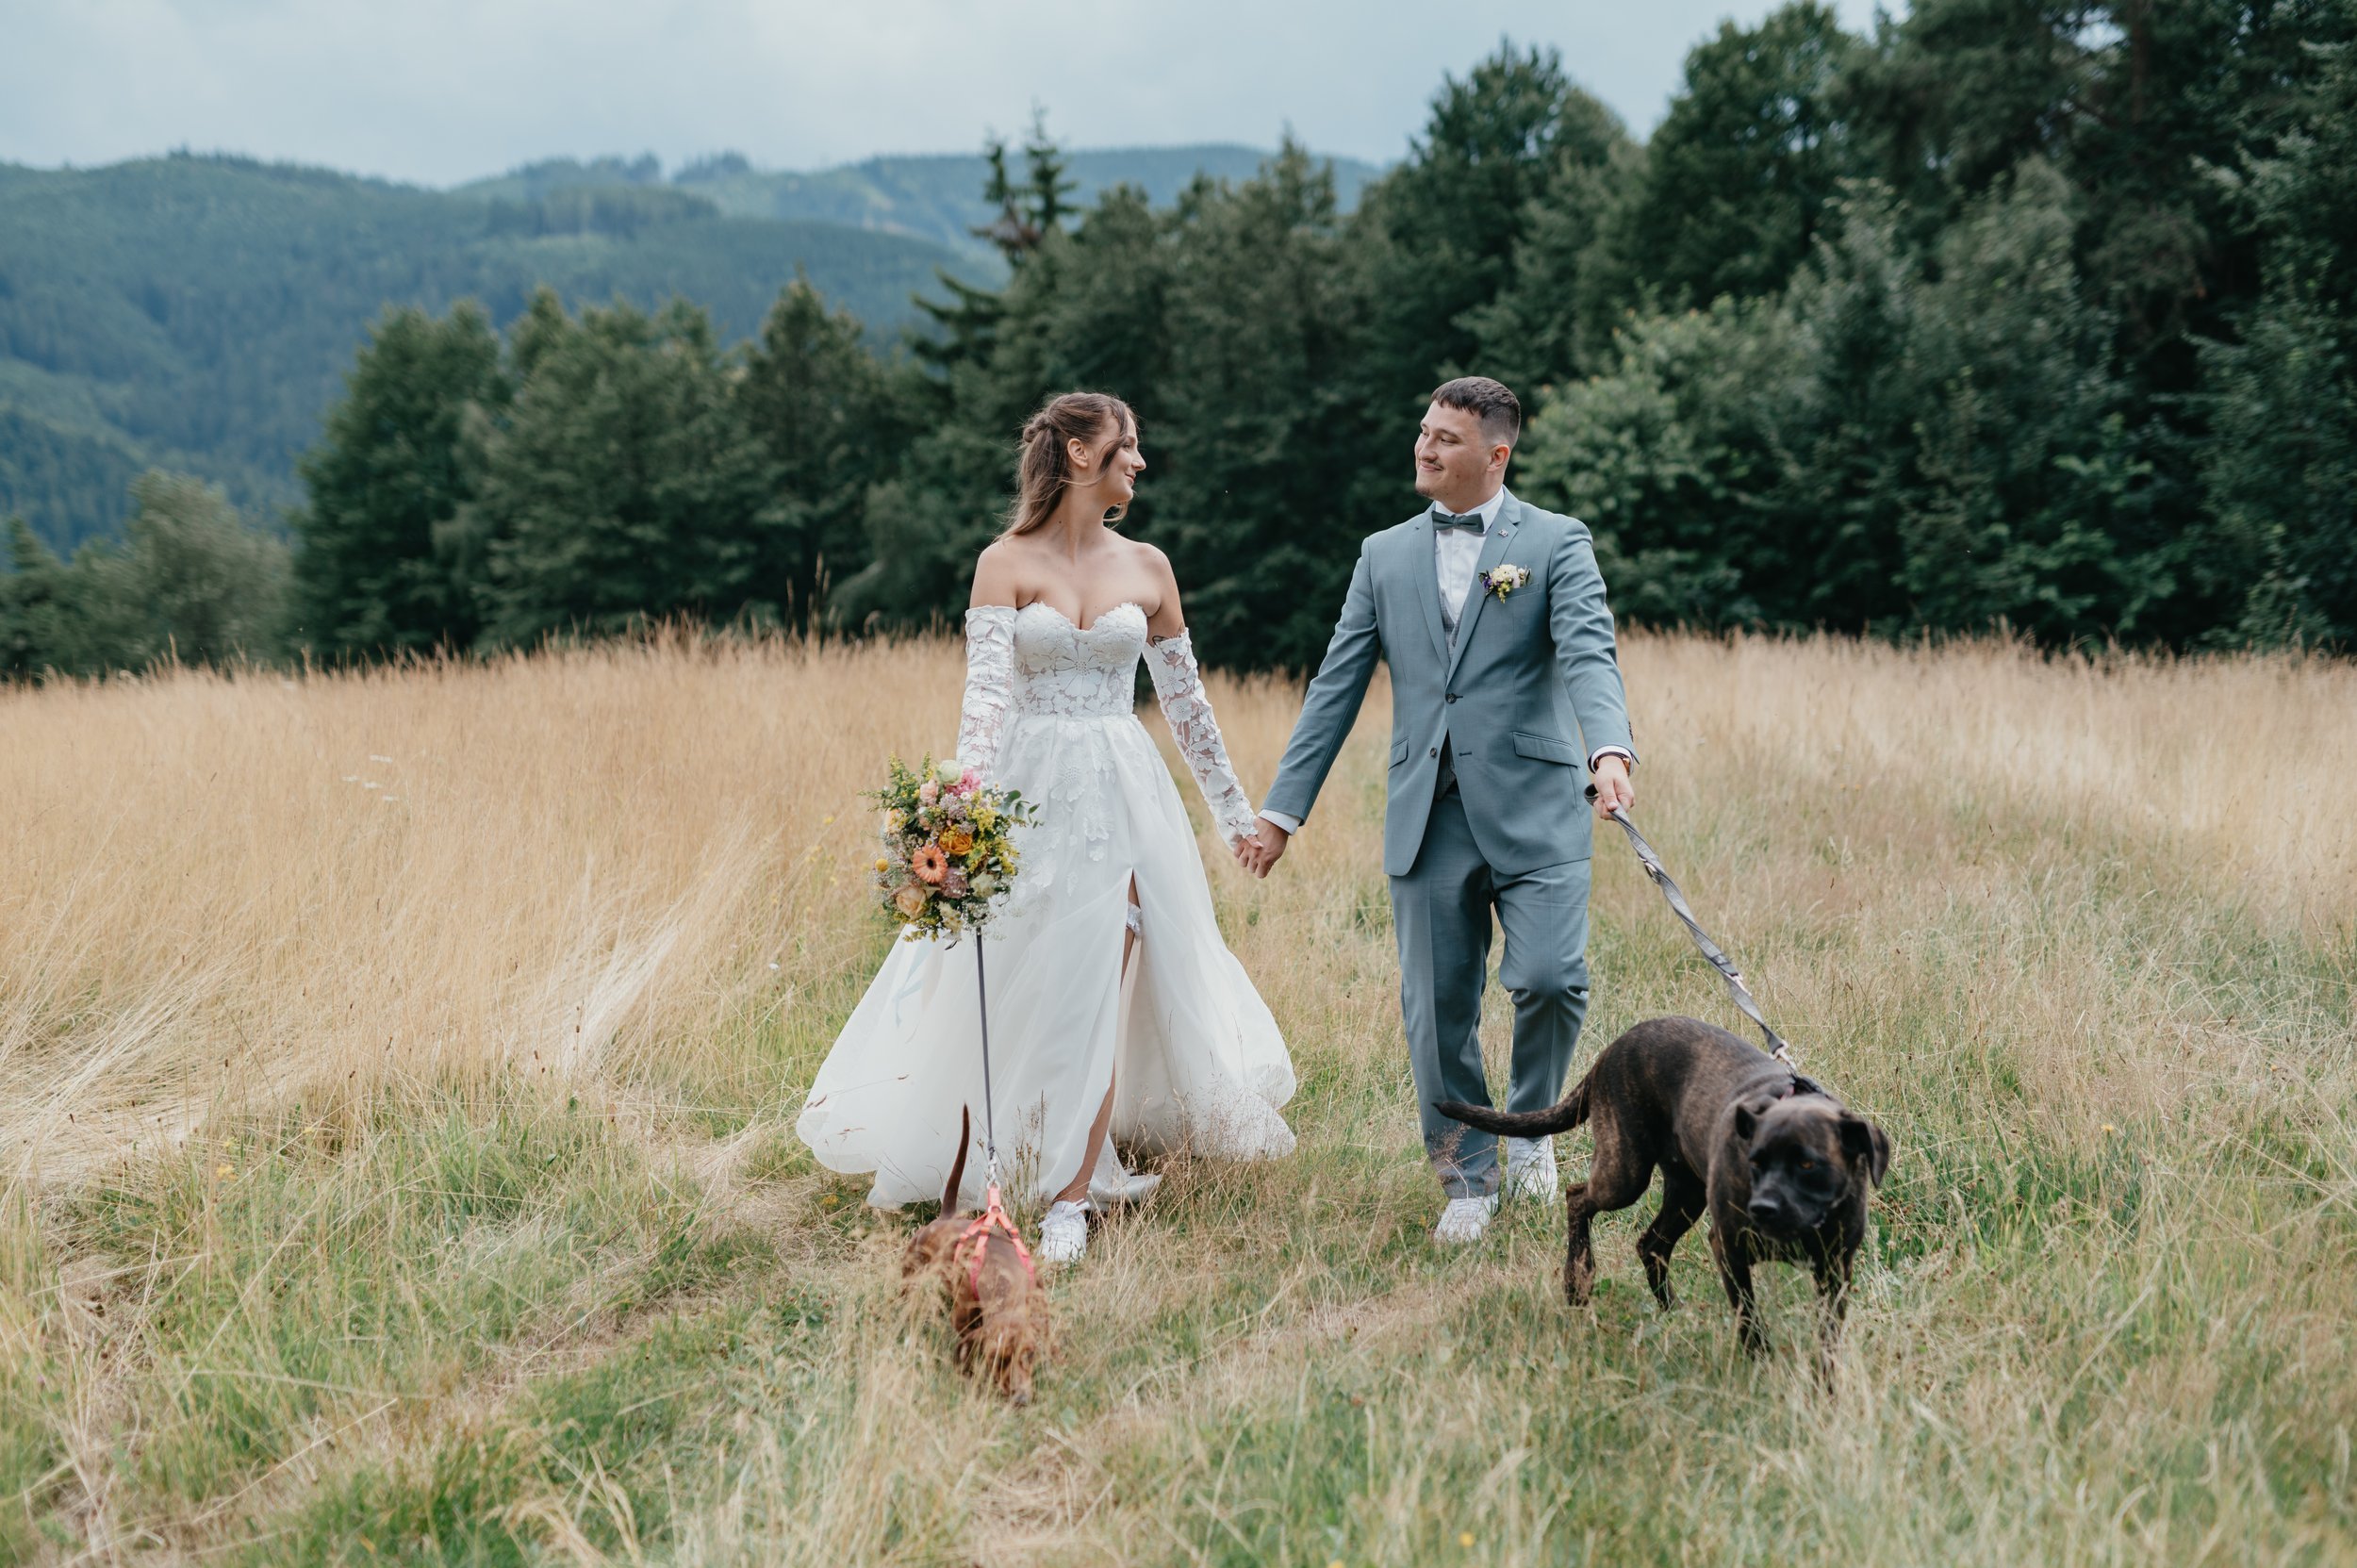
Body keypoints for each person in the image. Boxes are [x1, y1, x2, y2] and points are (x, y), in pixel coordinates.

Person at [798, 391, 1295, 1263]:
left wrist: (1236, 818)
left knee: (1108, 971)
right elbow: (984, 707)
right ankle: (1005, 1144)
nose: (1139, 461)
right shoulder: (1003, 563)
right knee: (1030, 975)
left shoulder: (1149, 567)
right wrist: (957, 826)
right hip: (1026, 796)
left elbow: (1187, 707)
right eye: (1126, 446)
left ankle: (1073, 1191)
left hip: (1120, 798)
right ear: (1076, 454)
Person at [1243, 376, 1636, 1246]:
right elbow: (1335, 687)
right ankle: (1466, 1176)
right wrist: (1282, 812)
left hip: (1538, 804)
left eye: (1446, 438)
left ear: (1497, 454)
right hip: (1428, 813)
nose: (1424, 448)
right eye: (1423, 432)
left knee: (1550, 980)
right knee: (1436, 1009)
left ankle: (1531, 1129)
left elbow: (1588, 652)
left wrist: (1610, 750)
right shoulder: (1381, 554)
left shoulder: (1558, 542)